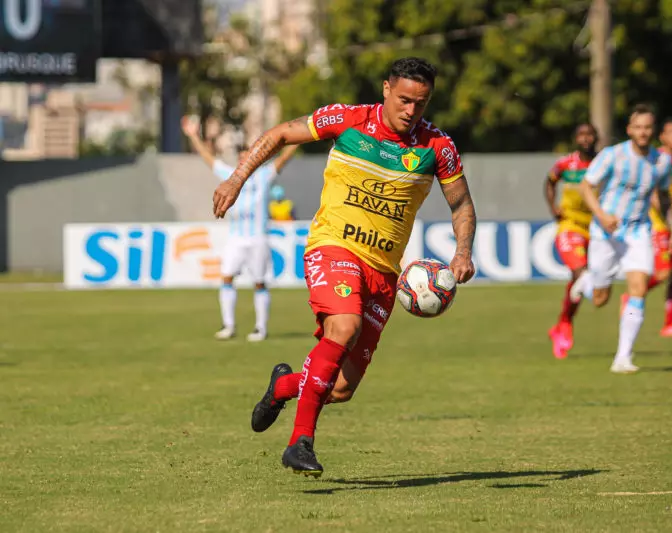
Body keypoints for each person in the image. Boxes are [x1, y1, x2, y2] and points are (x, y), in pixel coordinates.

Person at [212, 57, 477, 476]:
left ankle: (283, 386)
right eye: (405, 100)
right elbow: (281, 133)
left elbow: (460, 203)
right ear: (386, 89)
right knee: (344, 327)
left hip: (384, 273)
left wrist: (463, 251)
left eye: (421, 104)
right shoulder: (348, 120)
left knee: (340, 387)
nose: (411, 111)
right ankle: (300, 442)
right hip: (333, 248)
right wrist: (236, 179)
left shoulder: (437, 148)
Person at [573, 104, 672, 374]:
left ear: (652, 130)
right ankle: (585, 281)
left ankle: (623, 357)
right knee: (600, 299)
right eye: (639, 127)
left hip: (638, 232)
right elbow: (586, 186)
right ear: (629, 130)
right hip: (605, 233)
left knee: (639, 288)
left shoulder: (662, 161)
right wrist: (601, 214)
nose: (643, 132)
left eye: (648, 127)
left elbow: (666, 199)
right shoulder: (613, 155)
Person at [182, 116, 298, 341]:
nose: (245, 161)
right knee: (226, 277)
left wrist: (301, 136)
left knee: (259, 282)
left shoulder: (264, 175)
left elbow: (284, 158)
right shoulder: (231, 176)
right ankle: (228, 325)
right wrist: (193, 136)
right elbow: (208, 158)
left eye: (249, 157)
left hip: (258, 239)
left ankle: (260, 328)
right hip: (236, 237)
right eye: (242, 158)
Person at [626, 118, 672, 337]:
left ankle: (669, 324)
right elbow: (655, 195)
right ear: (662, 136)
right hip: (658, 224)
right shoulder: (657, 160)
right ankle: (634, 294)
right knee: (663, 273)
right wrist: (670, 226)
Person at [545, 123, 598, 359]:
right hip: (570, 225)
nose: (585, 139)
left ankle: (562, 325)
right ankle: (564, 326)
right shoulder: (566, 164)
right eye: (581, 135)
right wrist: (553, 207)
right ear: (576, 139)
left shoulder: (602, 163)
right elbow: (549, 182)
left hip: (596, 229)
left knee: (577, 281)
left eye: (590, 134)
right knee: (580, 273)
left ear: (596, 138)